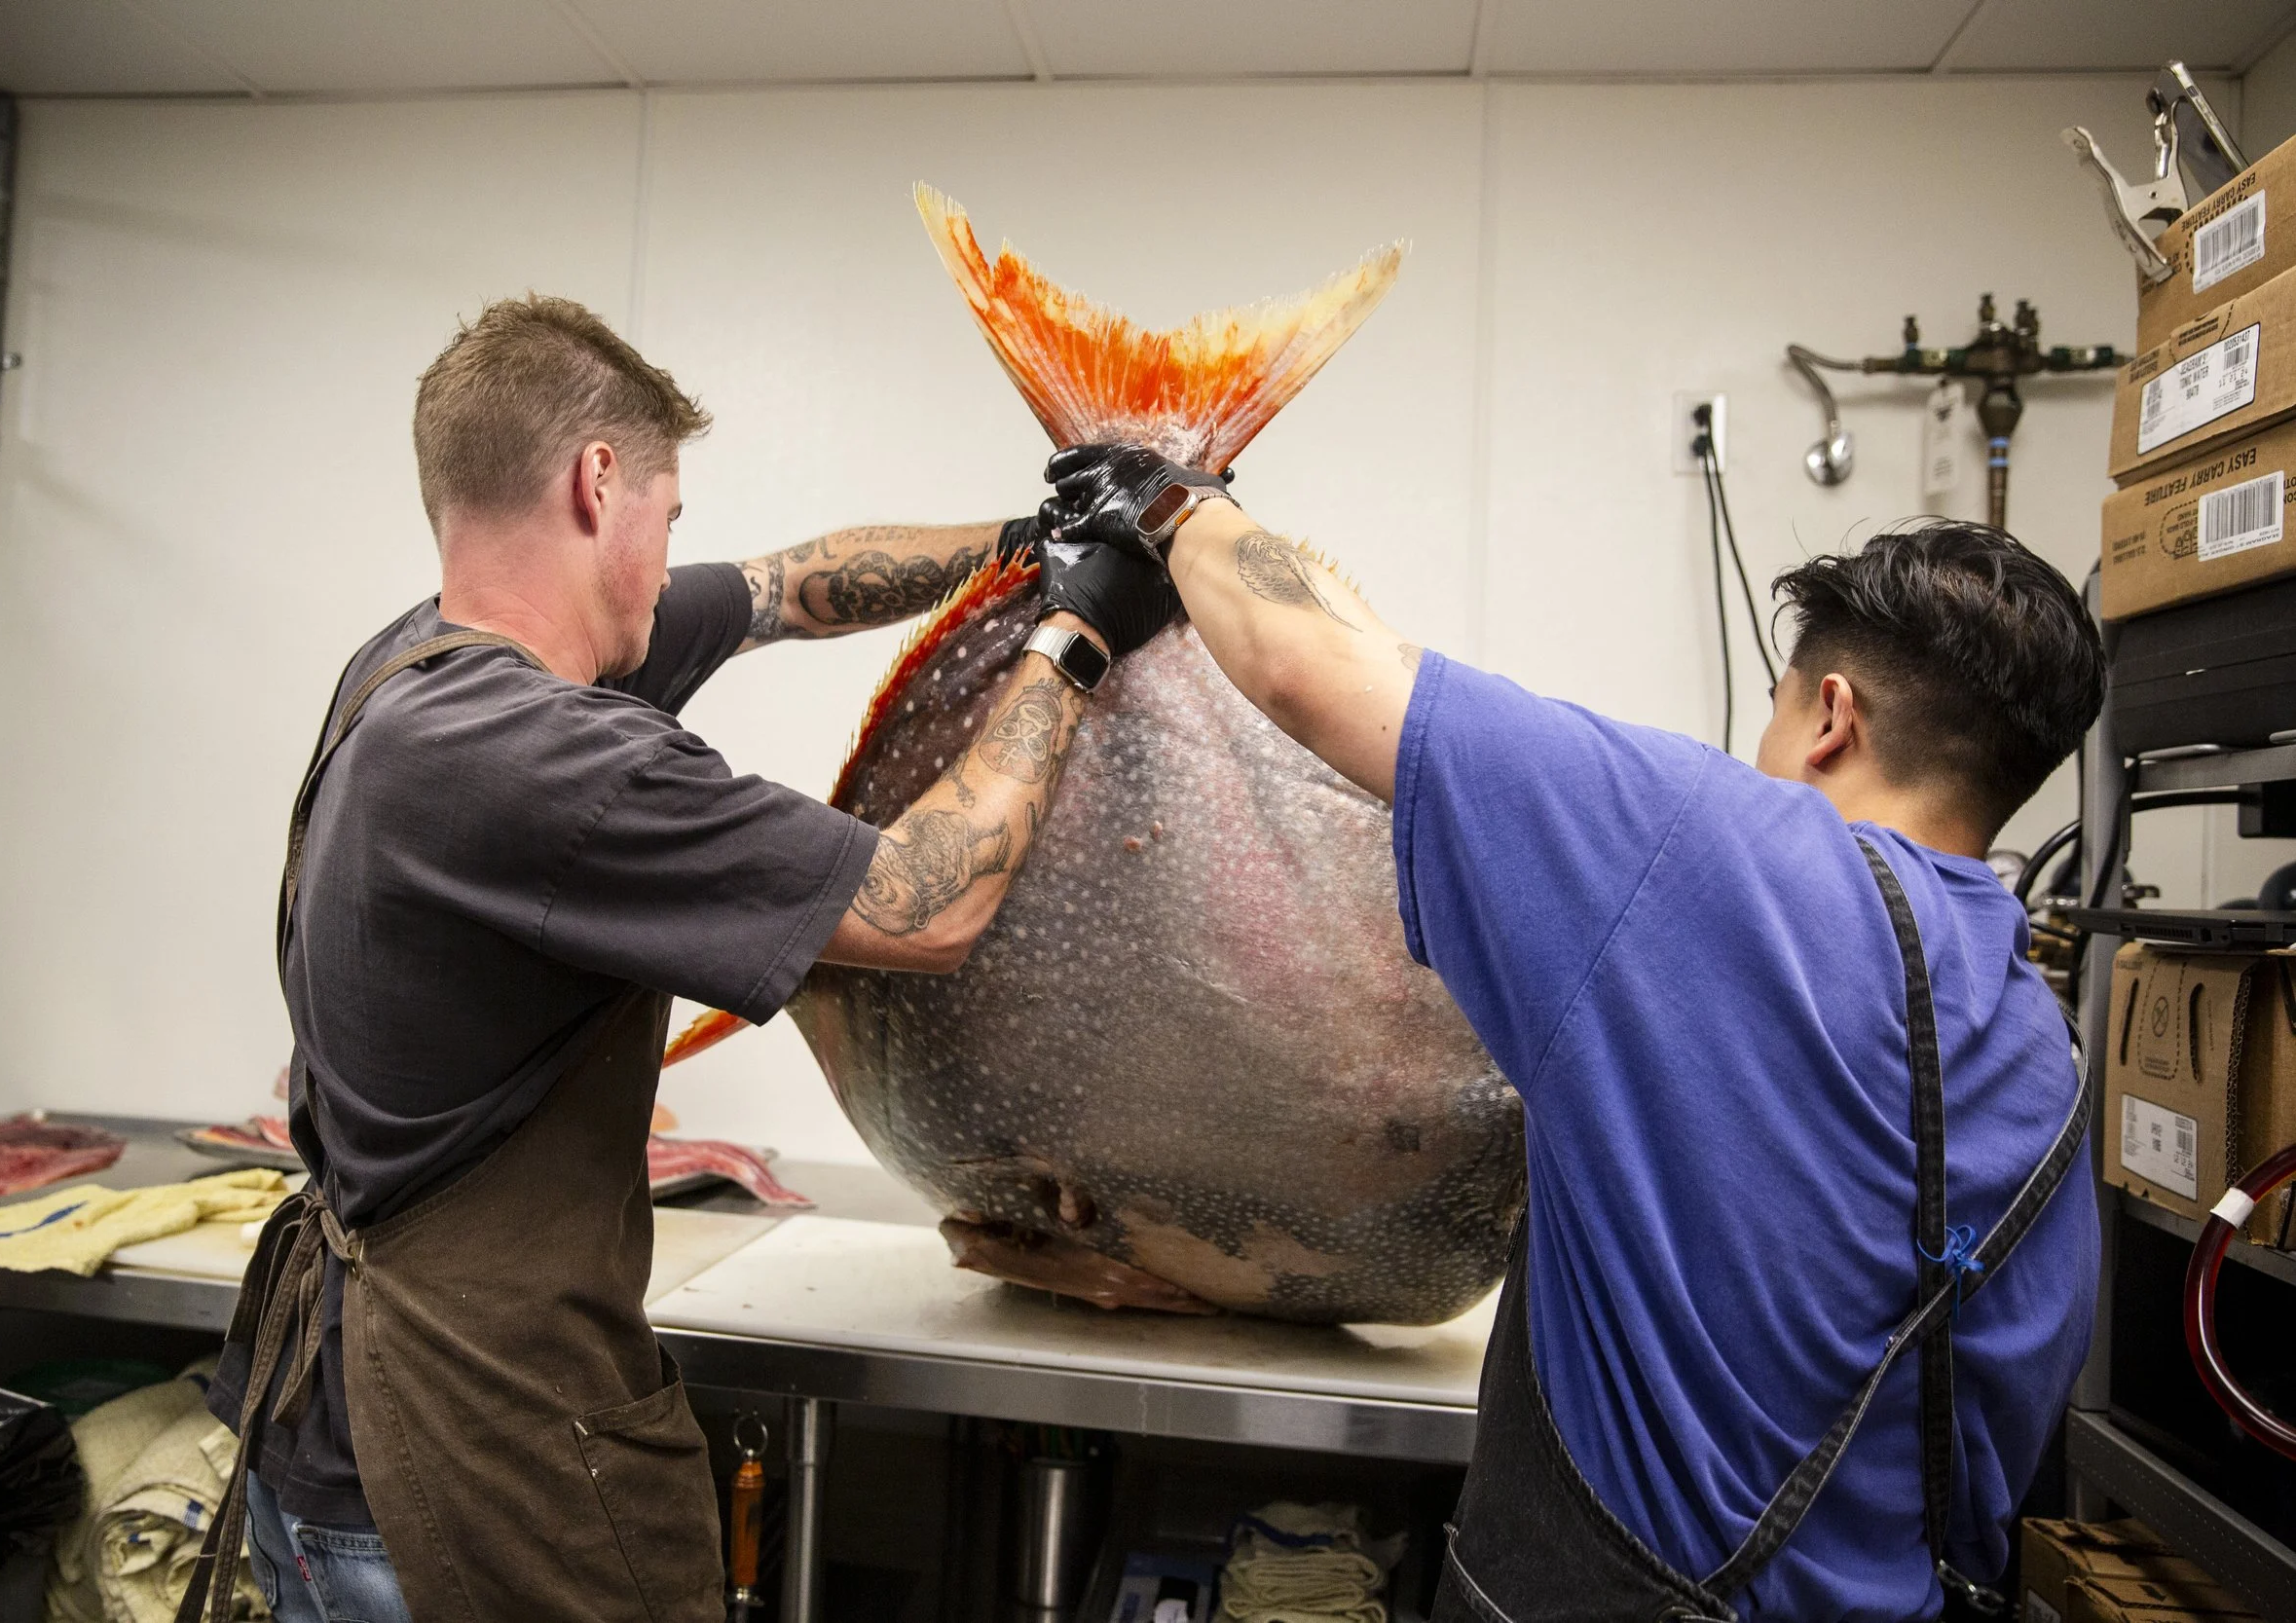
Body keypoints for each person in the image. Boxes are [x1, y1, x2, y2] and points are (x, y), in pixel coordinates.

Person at [183, 299, 1177, 1623]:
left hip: (333, 1428)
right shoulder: (541, 759)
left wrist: (1024, 546)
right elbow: (926, 902)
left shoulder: (411, 664)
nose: (671, 557)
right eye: (671, 514)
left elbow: (785, 586)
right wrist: (1072, 638)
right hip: (459, 1465)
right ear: (599, 483)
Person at [1040, 444, 2103, 1622]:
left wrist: (1172, 504)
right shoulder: (2041, 1046)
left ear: (1830, 718)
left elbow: (1309, 671)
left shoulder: (1718, 859)